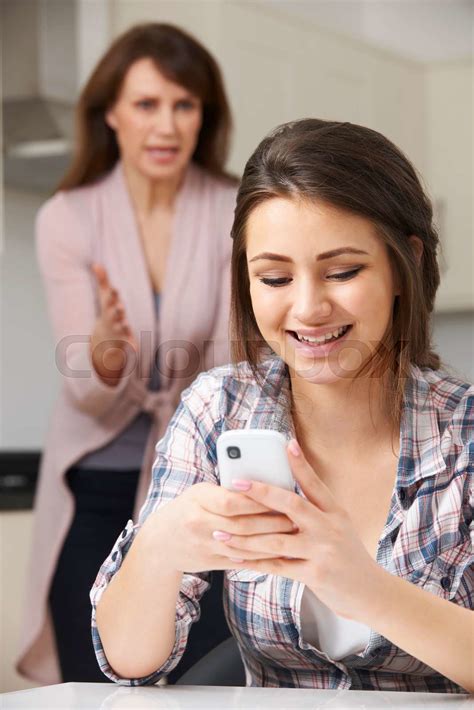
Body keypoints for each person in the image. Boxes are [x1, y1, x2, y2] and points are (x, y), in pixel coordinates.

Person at [91, 119, 473, 693]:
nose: (308, 307)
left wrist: (362, 587)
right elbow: (130, 663)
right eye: (273, 277)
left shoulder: (464, 432)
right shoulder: (217, 409)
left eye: (343, 271)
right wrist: (161, 546)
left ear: (405, 264)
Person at [17, 23, 237, 685]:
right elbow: (86, 391)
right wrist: (106, 354)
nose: (165, 125)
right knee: (98, 684)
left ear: (205, 116)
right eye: (146, 104)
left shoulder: (235, 210)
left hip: (199, 485)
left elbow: (234, 373)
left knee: (203, 679)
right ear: (110, 113)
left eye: (184, 104)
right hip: (98, 489)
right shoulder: (67, 216)